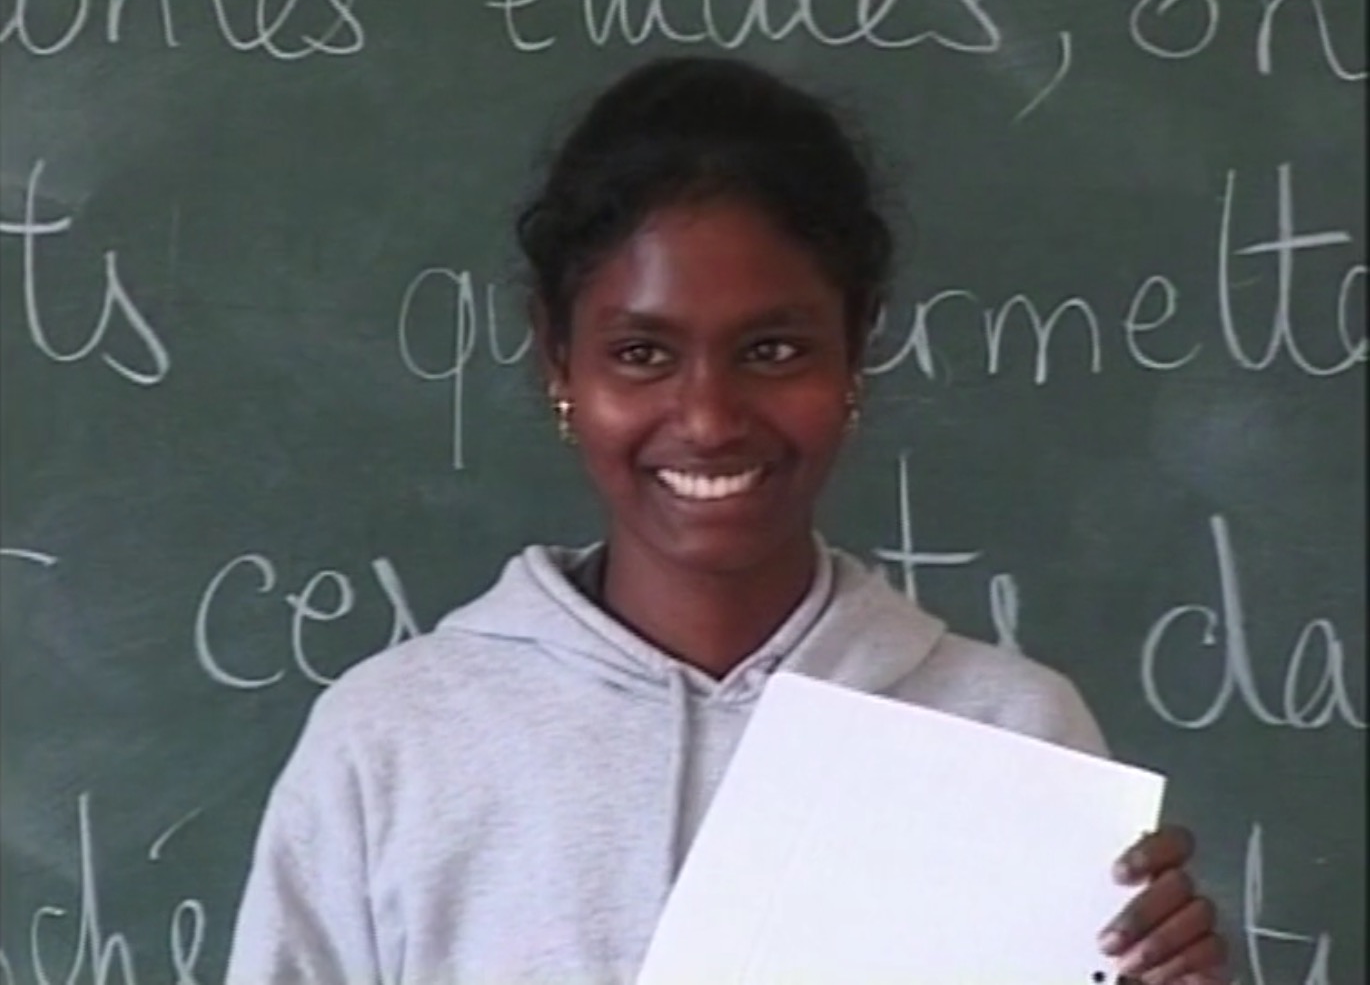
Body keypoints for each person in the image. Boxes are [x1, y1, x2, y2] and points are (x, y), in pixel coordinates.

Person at [226, 56, 1228, 985]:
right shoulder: (392, 744)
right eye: (641, 354)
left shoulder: (1011, 740)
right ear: (557, 357)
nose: (707, 420)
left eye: (773, 350)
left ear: (856, 347)